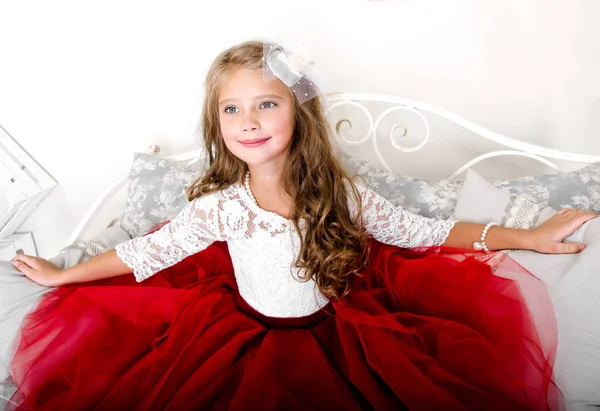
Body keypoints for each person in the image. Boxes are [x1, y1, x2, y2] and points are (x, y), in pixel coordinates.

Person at [7, 40, 596, 411]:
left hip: (338, 331)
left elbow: (426, 231)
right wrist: (66, 275)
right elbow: (146, 252)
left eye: (267, 102)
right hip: (236, 331)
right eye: (231, 109)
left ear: (299, 110)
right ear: (217, 123)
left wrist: (528, 237)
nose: (249, 121)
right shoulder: (222, 206)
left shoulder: (340, 195)